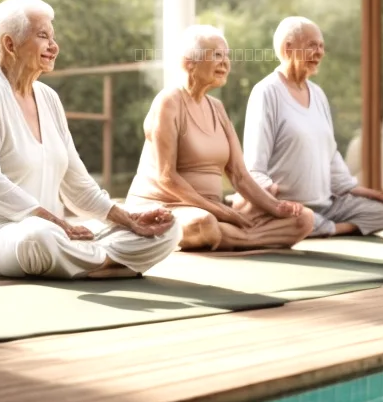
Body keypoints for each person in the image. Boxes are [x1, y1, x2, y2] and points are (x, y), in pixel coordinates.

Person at [0, 0, 180, 279]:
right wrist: (58, 224)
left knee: (169, 229)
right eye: (43, 36)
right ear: (10, 44)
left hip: (57, 233)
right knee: (37, 239)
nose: (54, 46)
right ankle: (109, 264)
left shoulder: (49, 99)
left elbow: (78, 186)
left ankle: (94, 264)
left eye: (53, 37)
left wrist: (130, 220)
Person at [124, 25, 314, 251]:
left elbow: (240, 176)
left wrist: (276, 207)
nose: (225, 62)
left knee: (304, 218)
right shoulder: (169, 102)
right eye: (216, 55)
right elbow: (167, 178)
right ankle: (244, 238)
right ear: (189, 62)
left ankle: (237, 238)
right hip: (164, 207)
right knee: (203, 224)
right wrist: (225, 213)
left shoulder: (217, 108)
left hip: (213, 209)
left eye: (227, 56)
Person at [242, 16, 383, 239]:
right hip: (290, 209)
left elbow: (333, 162)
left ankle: (327, 227)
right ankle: (320, 226)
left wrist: (379, 195)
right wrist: (277, 205)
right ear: (288, 48)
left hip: (328, 206)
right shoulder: (267, 92)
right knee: (304, 218)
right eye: (312, 45)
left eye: (321, 46)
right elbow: (254, 170)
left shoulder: (318, 94)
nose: (320, 52)